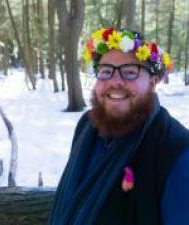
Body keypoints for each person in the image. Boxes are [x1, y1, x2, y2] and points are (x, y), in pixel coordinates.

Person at [50, 27, 189, 225]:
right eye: (106, 71)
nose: (115, 81)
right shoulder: (87, 127)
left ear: (153, 82)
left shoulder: (177, 151)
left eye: (130, 72)